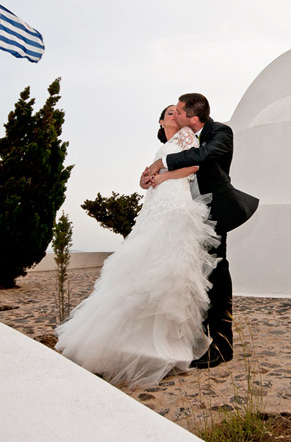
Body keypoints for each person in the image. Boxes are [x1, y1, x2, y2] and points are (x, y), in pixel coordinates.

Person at [55, 105, 219, 388]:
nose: (175, 115)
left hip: (174, 205)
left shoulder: (186, 138)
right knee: (141, 266)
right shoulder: (164, 146)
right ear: (160, 121)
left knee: (166, 268)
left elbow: (192, 166)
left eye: (178, 111)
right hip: (155, 206)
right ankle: (126, 343)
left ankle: (163, 348)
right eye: (170, 112)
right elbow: (148, 179)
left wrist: (163, 177)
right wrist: (145, 181)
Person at [145, 93, 259, 369]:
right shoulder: (189, 135)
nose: (176, 116)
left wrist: (164, 164)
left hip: (214, 214)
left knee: (216, 273)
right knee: (192, 277)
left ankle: (222, 345)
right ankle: (196, 338)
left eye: (179, 112)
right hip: (188, 214)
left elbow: (204, 156)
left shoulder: (220, 132)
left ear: (193, 117)